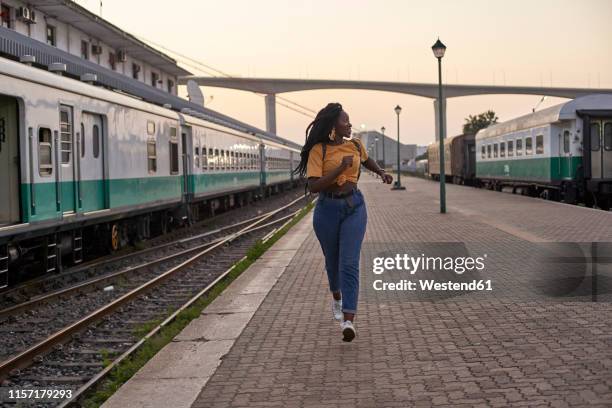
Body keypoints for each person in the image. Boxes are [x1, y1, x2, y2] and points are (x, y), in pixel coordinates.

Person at [293, 102, 393, 342]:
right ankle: (337, 297)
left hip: (354, 207)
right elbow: (314, 186)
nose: (349, 124)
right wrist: (340, 169)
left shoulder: (356, 145)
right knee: (332, 262)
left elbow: (366, 160)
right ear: (333, 126)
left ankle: (348, 320)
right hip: (327, 210)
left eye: (349, 121)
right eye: (345, 121)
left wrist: (381, 172)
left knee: (349, 263)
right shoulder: (320, 150)